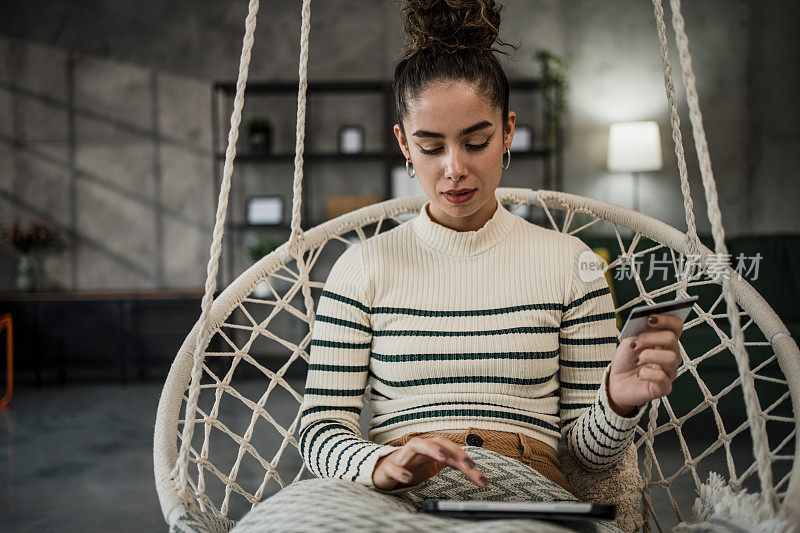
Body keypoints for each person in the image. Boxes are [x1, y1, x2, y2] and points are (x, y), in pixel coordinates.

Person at [297, 0, 683, 498]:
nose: (454, 168)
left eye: (475, 142)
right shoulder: (362, 267)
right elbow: (320, 427)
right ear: (404, 146)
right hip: (397, 499)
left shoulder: (571, 265)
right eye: (431, 147)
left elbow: (587, 456)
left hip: (525, 491)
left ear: (507, 132)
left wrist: (617, 401)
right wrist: (383, 464)